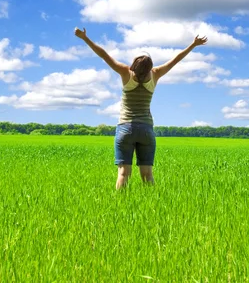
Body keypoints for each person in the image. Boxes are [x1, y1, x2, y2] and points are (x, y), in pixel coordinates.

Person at [74, 27, 208, 189]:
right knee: (147, 174)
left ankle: (119, 206)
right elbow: (175, 60)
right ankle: (152, 204)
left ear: (134, 63)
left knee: (123, 173)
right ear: (150, 64)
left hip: (125, 128)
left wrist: (84, 38)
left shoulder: (125, 73)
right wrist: (193, 45)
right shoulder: (155, 74)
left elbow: (104, 55)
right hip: (146, 129)